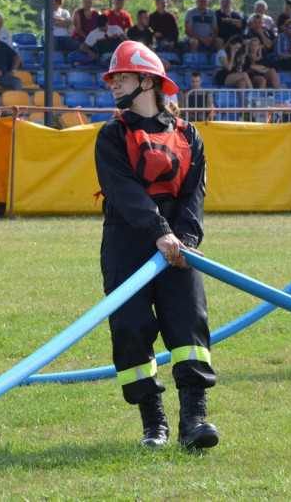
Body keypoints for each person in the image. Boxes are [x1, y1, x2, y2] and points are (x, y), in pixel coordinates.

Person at [94, 41, 217, 450]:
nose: (114, 84)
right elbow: (125, 192)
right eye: (112, 78)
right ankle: (154, 423)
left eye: (123, 76)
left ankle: (194, 420)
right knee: (130, 327)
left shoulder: (189, 135)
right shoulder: (112, 135)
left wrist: (185, 241)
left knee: (188, 323)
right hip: (128, 238)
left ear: (147, 81)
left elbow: (193, 196)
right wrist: (159, 232)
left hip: (178, 244)